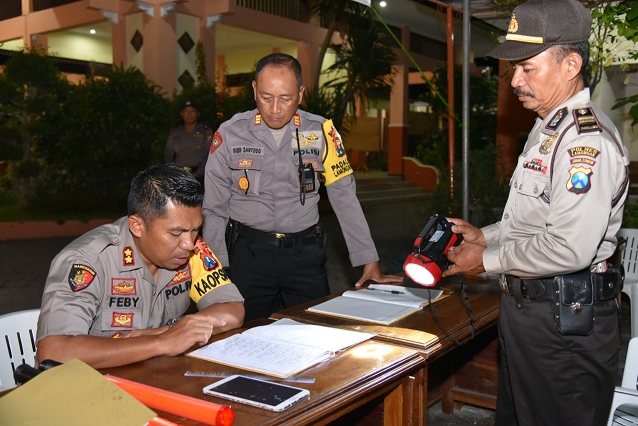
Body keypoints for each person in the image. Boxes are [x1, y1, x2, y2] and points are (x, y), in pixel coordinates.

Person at [441, 0, 629, 425]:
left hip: (565, 325)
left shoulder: (586, 142)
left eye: (528, 68)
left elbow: (567, 247)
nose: (515, 81)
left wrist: (484, 260)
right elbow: (534, 220)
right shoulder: (548, 127)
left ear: (570, 64)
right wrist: (486, 236)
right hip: (534, 315)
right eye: (513, 69)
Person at [202, 53, 400, 321]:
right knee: (246, 335)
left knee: (314, 331)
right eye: (265, 96)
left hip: (304, 256)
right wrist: (216, 268)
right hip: (248, 255)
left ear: (301, 94)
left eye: (285, 98)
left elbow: (344, 196)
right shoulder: (230, 132)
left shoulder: (321, 133)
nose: (274, 108)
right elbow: (214, 207)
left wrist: (369, 258)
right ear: (253, 90)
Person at [36, 163, 245, 369]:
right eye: (176, 233)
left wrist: (169, 331)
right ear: (137, 226)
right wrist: (163, 342)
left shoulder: (190, 251)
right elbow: (54, 351)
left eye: (195, 230)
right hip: (89, 385)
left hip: (151, 374)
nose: (189, 243)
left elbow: (232, 310)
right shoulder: (88, 260)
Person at [164, 100, 212, 186]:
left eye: (192, 111)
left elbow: (208, 154)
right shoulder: (175, 132)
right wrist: (172, 173)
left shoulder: (205, 132)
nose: (189, 114)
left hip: (200, 177)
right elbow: (168, 154)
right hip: (178, 176)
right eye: (186, 111)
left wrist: (197, 174)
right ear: (181, 114)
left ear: (198, 114)